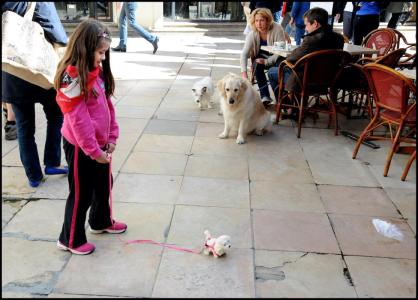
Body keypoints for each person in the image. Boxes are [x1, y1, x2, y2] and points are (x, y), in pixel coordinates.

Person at [54, 19, 127, 255]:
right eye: (100, 52)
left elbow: (107, 105)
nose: (103, 58)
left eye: (105, 52)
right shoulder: (71, 78)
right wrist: (94, 152)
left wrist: (112, 136)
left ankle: (100, 220)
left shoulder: (96, 71)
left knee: (104, 184)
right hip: (80, 147)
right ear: (85, 48)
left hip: (99, 144)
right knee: (81, 193)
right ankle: (70, 239)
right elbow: (79, 120)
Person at [2, 2, 69, 187]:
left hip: (12, 71)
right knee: (56, 115)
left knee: (24, 128)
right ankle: (52, 162)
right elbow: (57, 33)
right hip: (39, 70)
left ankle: (33, 176)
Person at [267, 7, 344, 103]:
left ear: (315, 23)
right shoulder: (339, 38)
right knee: (296, 69)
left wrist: (293, 53)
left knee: (272, 71)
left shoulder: (311, 40)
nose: (306, 28)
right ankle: (296, 105)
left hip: (306, 80)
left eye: (306, 25)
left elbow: (292, 59)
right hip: (329, 79)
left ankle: (287, 105)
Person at [240, 8, 290, 106]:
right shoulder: (252, 33)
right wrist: (244, 74)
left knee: (279, 67)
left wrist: (267, 62)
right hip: (261, 55)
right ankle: (265, 96)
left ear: (268, 20)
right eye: (256, 21)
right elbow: (244, 54)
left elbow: (280, 52)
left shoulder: (277, 28)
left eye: (262, 20)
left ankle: (283, 101)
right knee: (257, 64)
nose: (259, 24)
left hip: (276, 56)